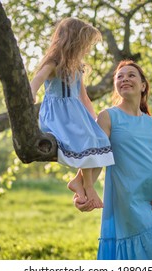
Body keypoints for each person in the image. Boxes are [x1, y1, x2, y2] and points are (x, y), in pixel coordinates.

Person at [74, 60, 152, 260]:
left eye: (131, 75)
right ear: (116, 86)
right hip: (132, 202)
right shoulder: (108, 116)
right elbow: (95, 158)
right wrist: (83, 189)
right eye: (120, 76)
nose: (124, 78)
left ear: (143, 86)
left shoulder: (151, 122)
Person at [30, 18, 114, 208]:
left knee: (100, 139)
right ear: (73, 41)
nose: (86, 49)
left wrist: (93, 120)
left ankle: (79, 182)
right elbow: (37, 79)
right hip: (58, 116)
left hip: (75, 115)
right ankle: (89, 188)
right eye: (84, 44)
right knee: (85, 139)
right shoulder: (53, 62)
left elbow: (83, 98)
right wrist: (32, 93)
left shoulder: (78, 67)